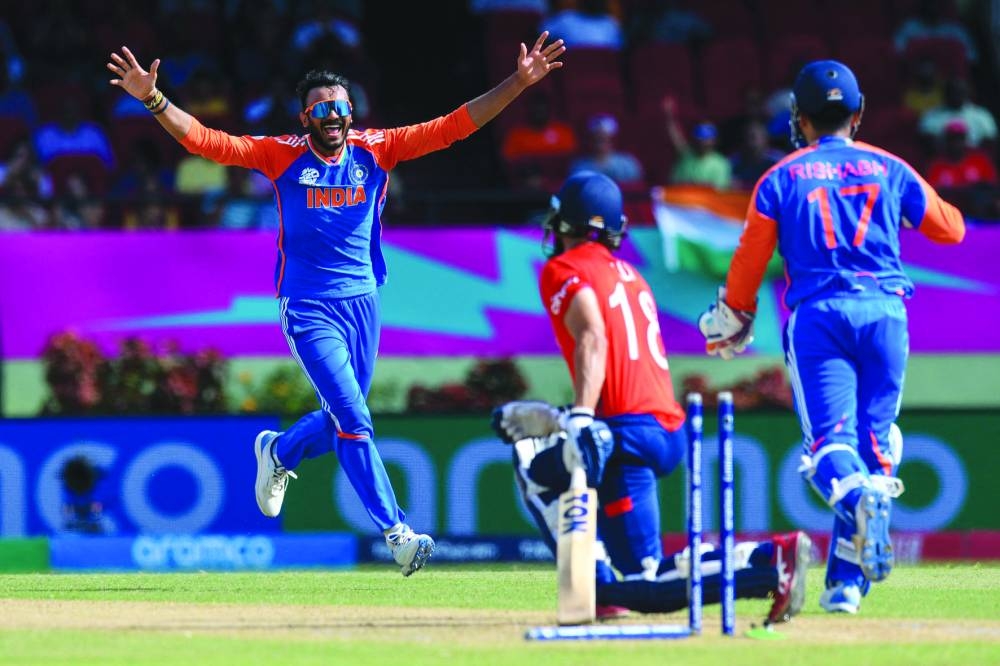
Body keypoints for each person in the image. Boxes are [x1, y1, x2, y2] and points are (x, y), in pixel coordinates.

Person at [106, 33, 565, 576]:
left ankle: (277, 453)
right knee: (354, 417)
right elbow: (208, 141)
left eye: (341, 108)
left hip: (365, 303)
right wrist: (155, 100)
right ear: (305, 118)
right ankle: (397, 533)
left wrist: (519, 81)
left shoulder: (378, 149)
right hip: (307, 307)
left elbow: (455, 125)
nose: (333, 116)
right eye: (322, 109)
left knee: (344, 419)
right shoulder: (281, 155)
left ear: (352, 113)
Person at [698, 60, 965, 614]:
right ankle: (846, 585)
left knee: (830, 448)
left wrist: (735, 314)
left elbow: (750, 259)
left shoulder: (781, 177)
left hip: (820, 318)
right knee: (877, 443)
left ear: (799, 116)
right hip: (886, 314)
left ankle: (860, 505)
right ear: (859, 112)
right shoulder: (889, 167)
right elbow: (951, 229)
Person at [492, 171, 811, 624]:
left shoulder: (563, 268)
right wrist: (561, 417)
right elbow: (622, 364)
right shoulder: (632, 276)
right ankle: (619, 585)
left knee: (535, 467)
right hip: (657, 427)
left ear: (567, 222)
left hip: (622, 433)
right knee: (648, 568)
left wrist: (578, 417)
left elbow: (594, 337)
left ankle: (764, 567)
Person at [664, 98, 731, 190]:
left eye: (707, 137)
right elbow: (676, 139)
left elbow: (719, 193)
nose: (703, 141)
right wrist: (669, 117)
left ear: (714, 140)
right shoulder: (686, 156)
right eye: (700, 136)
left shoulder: (720, 163)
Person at [569, 114, 643, 185]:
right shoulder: (580, 166)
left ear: (612, 139)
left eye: (605, 138)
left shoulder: (628, 163)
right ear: (590, 139)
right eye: (597, 139)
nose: (601, 142)